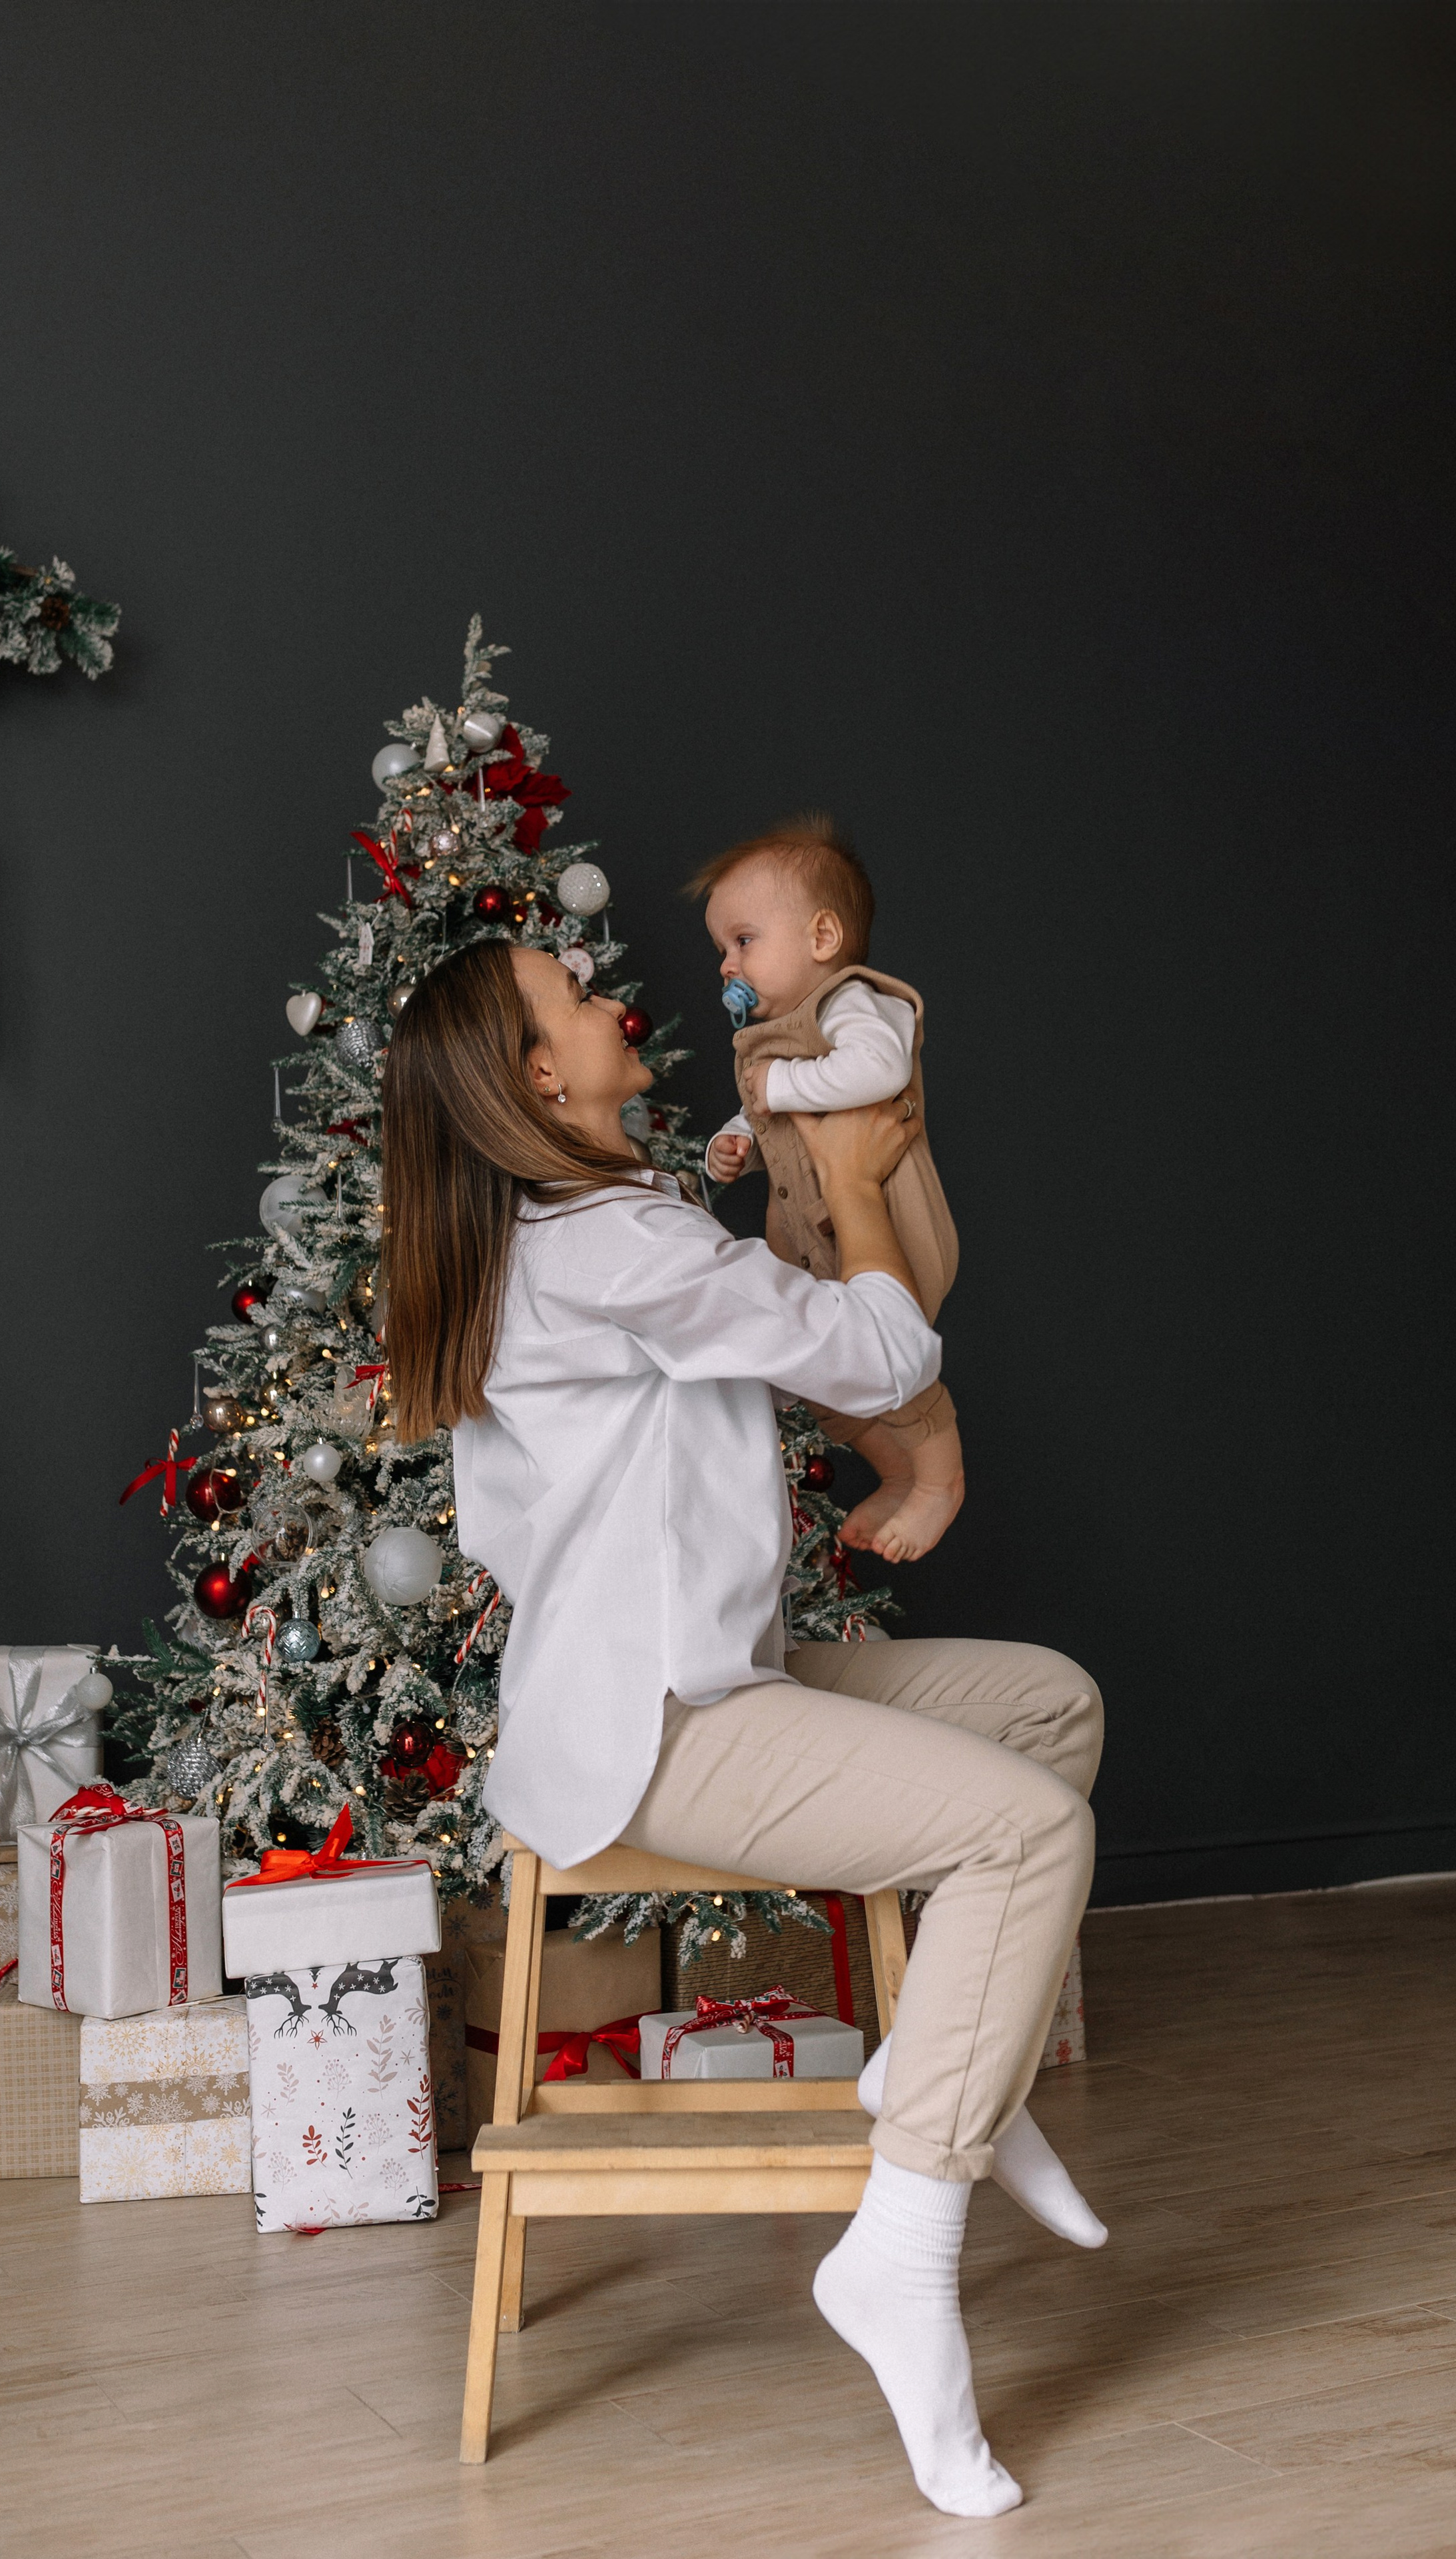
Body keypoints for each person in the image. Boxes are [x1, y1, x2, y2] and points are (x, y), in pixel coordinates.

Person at [381, 939, 1104, 2520]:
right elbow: (887, 1354)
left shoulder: (550, 1241)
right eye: (566, 993)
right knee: (1027, 1827)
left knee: (1047, 1701)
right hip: (662, 1724)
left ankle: (944, 2074)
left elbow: (528, 1522)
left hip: (691, 1678)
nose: (598, 987)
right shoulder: (611, 1245)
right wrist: (851, 1175)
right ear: (536, 1076)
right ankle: (900, 2250)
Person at [695, 812, 964, 1565]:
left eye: (743, 941)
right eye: (721, 948)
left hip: (889, 1231)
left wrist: (776, 1085)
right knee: (820, 1374)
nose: (726, 965)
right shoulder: (774, 1037)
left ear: (821, 938)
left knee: (893, 1360)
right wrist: (737, 1141)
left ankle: (940, 1479)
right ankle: (898, 1469)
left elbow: (877, 1070)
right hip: (811, 1244)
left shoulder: (853, 1004)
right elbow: (777, 1120)